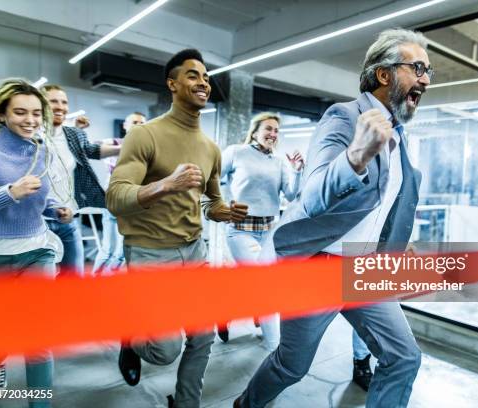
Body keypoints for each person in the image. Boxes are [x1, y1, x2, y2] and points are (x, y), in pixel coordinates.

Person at [234, 28, 432, 408]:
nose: (425, 78)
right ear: (385, 74)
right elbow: (313, 194)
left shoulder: (400, 135)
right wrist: (355, 156)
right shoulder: (343, 117)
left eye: (429, 71)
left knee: (404, 356)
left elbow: (385, 201)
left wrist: (393, 242)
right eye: (418, 67)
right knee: (292, 366)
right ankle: (246, 405)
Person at [107, 48, 248, 408]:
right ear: (172, 83)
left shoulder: (211, 147)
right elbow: (116, 196)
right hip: (150, 254)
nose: (202, 81)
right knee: (165, 351)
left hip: (195, 252)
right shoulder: (145, 135)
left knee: (202, 337)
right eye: (192, 75)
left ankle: (186, 404)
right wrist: (164, 185)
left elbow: (211, 202)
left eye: (205, 76)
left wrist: (225, 212)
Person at [0, 78, 73, 407]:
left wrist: (56, 210)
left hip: (37, 251)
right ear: (2, 115)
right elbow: (8, 197)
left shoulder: (42, 151)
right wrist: (9, 194)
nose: (30, 120)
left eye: (36, 113)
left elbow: (39, 199)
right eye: (20, 112)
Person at [219, 112, 304, 349]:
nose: (273, 134)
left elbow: (290, 194)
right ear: (255, 131)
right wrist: (221, 206)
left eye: (276, 131)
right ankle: (274, 348)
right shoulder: (236, 152)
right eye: (268, 129)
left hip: (268, 232)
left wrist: (296, 171)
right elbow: (212, 178)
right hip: (240, 231)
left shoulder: (278, 162)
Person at [40, 84, 121, 277]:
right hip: (38, 223)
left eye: (64, 102)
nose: (60, 106)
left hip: (68, 218)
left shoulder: (72, 135)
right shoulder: (33, 134)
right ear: (41, 104)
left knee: (74, 279)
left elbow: (92, 151)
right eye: (53, 101)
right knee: (42, 284)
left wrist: (126, 147)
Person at [92, 111, 147, 275]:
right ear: (125, 125)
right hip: (112, 202)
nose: (139, 126)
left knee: (122, 253)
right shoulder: (116, 142)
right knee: (108, 250)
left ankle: (106, 284)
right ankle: (95, 283)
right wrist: (120, 148)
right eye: (135, 122)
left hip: (130, 204)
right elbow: (94, 146)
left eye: (142, 123)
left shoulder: (143, 151)